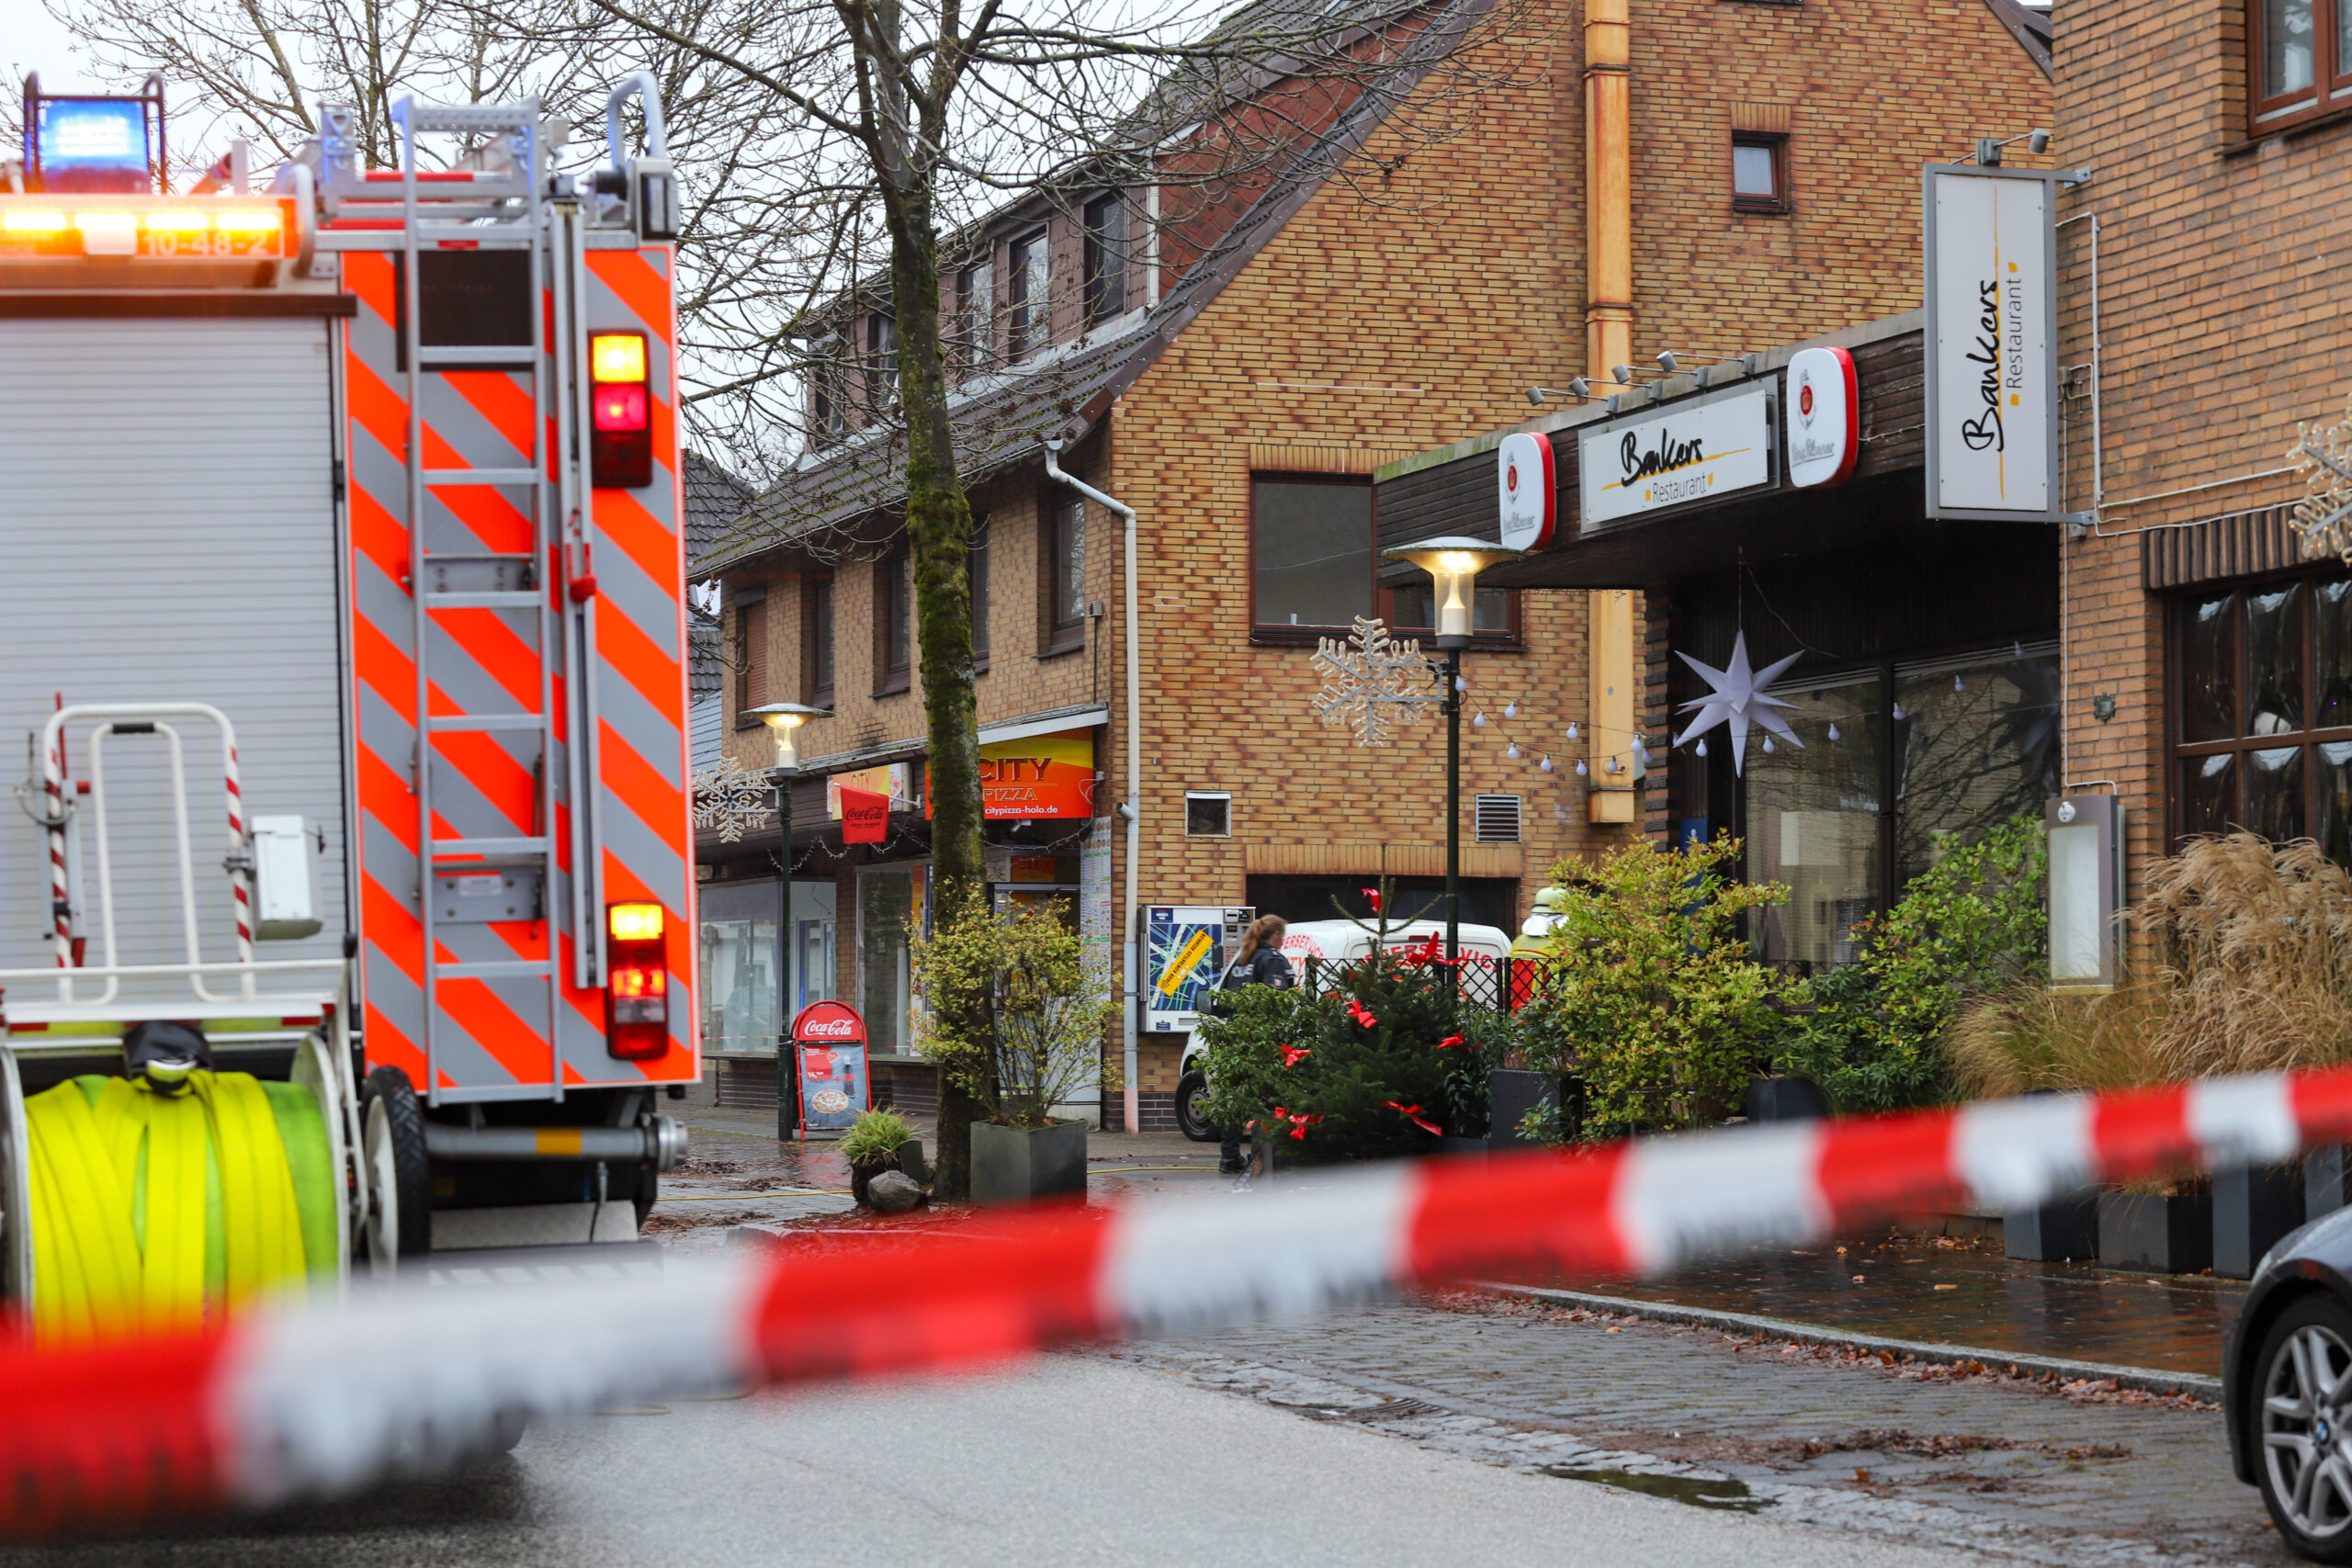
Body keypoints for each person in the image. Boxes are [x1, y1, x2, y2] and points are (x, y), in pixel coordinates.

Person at [1213, 913, 1294, 1175]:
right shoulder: (1271, 959)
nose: (1283, 940)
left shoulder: (1241, 959)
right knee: (1268, 1099)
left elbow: (1220, 1002)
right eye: (1283, 935)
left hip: (1235, 1040)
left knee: (1235, 1099)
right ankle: (1263, 1160)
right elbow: (1277, 1001)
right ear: (1276, 935)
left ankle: (1229, 1158)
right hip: (1262, 1042)